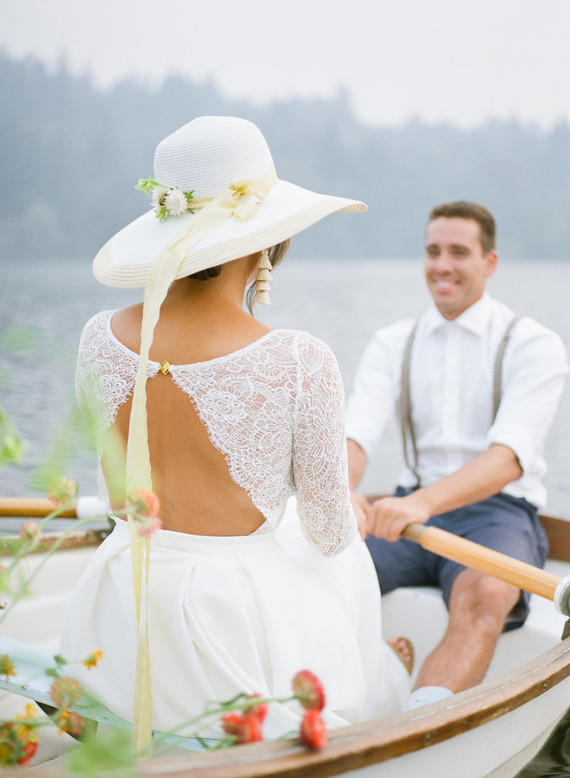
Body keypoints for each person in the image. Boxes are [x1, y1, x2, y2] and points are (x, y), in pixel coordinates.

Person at [59, 116, 410, 746]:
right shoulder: (301, 359)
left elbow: (117, 481)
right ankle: (384, 684)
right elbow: (331, 534)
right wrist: (344, 511)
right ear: (264, 243)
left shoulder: (95, 338)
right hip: (224, 619)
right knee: (341, 553)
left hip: (118, 601)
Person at [346, 201, 568, 710]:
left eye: (458, 252)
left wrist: (422, 505)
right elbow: (356, 437)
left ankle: (420, 722)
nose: (442, 264)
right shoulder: (392, 342)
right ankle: (360, 685)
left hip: (498, 515)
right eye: (432, 251)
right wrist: (340, 491)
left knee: (486, 595)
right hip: (406, 515)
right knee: (321, 569)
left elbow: (509, 457)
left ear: (490, 262)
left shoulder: (531, 343)